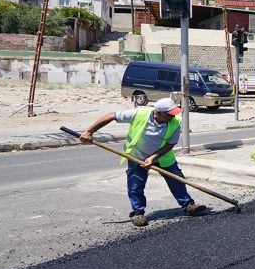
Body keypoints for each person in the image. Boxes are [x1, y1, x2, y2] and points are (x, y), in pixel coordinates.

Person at [79, 97, 206, 227]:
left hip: (163, 157)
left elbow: (170, 144)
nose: (173, 116)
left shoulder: (175, 122)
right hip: (137, 156)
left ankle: (188, 206)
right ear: (160, 113)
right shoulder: (139, 114)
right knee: (135, 185)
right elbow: (111, 115)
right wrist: (89, 131)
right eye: (170, 113)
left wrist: (152, 158)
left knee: (177, 180)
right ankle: (137, 212)